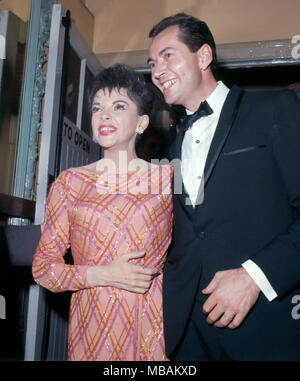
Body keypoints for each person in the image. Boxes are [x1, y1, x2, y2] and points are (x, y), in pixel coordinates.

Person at [147, 13, 300, 360]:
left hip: (265, 332)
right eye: (152, 62)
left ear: (203, 57)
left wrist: (255, 277)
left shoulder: (275, 107)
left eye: (168, 55)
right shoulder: (169, 150)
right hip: (186, 339)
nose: (157, 70)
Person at [32, 64, 173, 361]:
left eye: (118, 106)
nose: (104, 116)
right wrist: (102, 274)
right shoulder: (70, 183)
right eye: (97, 108)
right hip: (92, 330)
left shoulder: (167, 180)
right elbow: (44, 269)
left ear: (141, 122)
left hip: (153, 329)